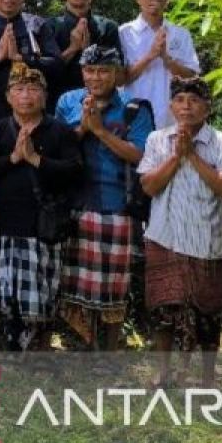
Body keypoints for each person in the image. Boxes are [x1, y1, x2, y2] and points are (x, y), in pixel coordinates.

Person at [0, 64, 82, 351]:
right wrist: (12, 158)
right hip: (10, 224)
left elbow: (75, 170)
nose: (26, 96)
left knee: (45, 296)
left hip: (48, 227)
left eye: (34, 89)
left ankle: (42, 349)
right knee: (12, 296)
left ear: (45, 97)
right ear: (8, 96)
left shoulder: (58, 130)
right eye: (19, 90)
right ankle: (15, 351)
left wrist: (36, 160)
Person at [140, 76, 222, 387]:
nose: (186, 106)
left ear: (207, 108)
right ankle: (164, 372)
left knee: (207, 314)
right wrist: (175, 156)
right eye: (180, 100)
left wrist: (192, 155)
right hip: (165, 235)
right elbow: (149, 186)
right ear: (171, 106)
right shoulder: (157, 139)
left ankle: (206, 377)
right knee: (164, 310)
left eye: (194, 100)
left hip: (205, 239)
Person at [55, 46, 154, 350]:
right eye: (90, 70)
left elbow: (140, 155)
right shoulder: (68, 101)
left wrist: (100, 132)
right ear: (82, 72)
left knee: (113, 286)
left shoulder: (134, 109)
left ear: (117, 74)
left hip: (116, 205)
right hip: (76, 202)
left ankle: (111, 348)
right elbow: (57, 146)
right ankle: (81, 345)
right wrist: (82, 128)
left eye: (103, 71)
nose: (96, 77)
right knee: (75, 283)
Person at [119, 0, 199, 129]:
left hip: (171, 119)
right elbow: (120, 79)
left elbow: (192, 77)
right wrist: (150, 56)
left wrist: (166, 59)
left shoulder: (180, 34)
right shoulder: (123, 33)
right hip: (133, 115)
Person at [49, 0, 123, 108]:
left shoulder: (107, 27)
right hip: (60, 103)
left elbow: (118, 74)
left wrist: (90, 53)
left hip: (102, 104)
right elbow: (47, 73)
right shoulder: (50, 27)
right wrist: (72, 48)